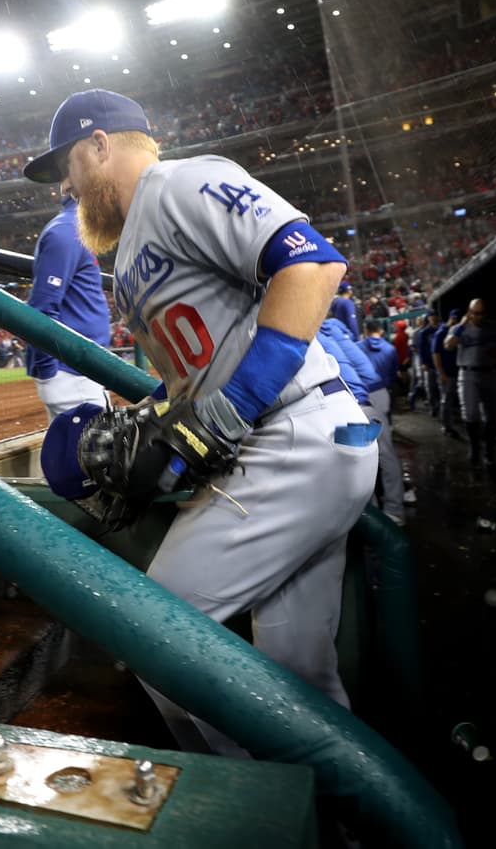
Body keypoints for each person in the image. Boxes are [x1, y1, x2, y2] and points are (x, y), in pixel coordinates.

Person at [24, 89, 378, 753]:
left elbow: (313, 264)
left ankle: (253, 803)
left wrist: (233, 406)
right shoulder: (130, 247)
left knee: (157, 635)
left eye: (66, 168)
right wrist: (155, 426)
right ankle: (342, 806)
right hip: (292, 443)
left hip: (290, 436)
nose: (64, 188)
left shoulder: (178, 184)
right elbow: (201, 368)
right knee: (301, 675)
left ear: (99, 145)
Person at [24, 194, 112, 419]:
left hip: (80, 373)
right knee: (94, 442)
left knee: (78, 443)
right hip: (71, 377)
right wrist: (49, 372)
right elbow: (42, 307)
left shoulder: (76, 230)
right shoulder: (67, 231)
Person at [355, 317, 409, 525]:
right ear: (381, 331)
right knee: (386, 449)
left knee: (362, 452)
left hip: (362, 399)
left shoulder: (357, 346)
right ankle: (395, 508)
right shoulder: (389, 348)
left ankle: (372, 514)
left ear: (366, 330)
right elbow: (393, 373)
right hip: (381, 394)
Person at [445, 298, 496, 465]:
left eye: (482, 313)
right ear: (469, 313)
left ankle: (489, 451)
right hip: (468, 373)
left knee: (491, 416)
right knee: (471, 414)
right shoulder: (459, 328)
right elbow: (448, 345)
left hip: (489, 372)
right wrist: (461, 326)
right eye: (475, 313)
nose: (479, 317)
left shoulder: (493, 328)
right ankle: (474, 447)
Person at [435, 308, 462, 438]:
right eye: (454, 319)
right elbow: (436, 354)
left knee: (453, 400)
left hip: (458, 371)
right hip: (447, 372)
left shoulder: (460, 331)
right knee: (446, 400)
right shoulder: (441, 332)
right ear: (450, 318)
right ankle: (447, 426)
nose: (455, 321)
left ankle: (453, 423)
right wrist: (441, 373)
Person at [411, 309, 441, 415]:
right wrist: (424, 363)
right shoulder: (423, 332)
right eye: (431, 316)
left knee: (439, 388)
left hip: (440, 364)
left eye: (434, 315)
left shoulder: (441, 328)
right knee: (429, 387)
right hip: (429, 364)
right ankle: (433, 407)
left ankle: (440, 407)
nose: (433, 318)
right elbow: (421, 349)